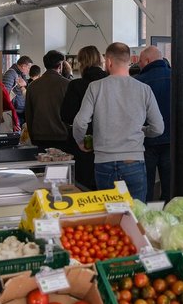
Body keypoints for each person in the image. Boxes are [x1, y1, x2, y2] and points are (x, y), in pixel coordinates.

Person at [73, 43, 163, 201]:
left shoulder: (95, 87)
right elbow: (158, 128)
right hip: (134, 160)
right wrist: (142, 131)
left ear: (108, 62)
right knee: (136, 212)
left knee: (110, 212)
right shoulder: (144, 89)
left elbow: (80, 122)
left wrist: (81, 141)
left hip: (104, 161)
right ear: (129, 61)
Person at [61, 46, 108, 189]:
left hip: (83, 142)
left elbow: (67, 115)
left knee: (84, 186)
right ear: (100, 60)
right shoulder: (110, 83)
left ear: (81, 62)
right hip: (109, 141)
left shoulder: (76, 85)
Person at [134, 46, 172, 201]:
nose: (139, 64)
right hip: (172, 140)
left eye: (140, 61)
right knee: (170, 186)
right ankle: (168, 213)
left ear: (147, 61)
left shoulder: (138, 82)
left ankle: (147, 214)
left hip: (146, 141)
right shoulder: (178, 77)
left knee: (146, 186)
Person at [25, 50, 72, 152]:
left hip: (39, 136)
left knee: (42, 162)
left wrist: (33, 136)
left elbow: (29, 114)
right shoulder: (67, 85)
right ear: (60, 65)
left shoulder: (32, 86)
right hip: (62, 136)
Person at [2, 55, 32, 124]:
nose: (29, 70)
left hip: (20, 111)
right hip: (15, 112)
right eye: (28, 68)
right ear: (23, 66)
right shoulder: (11, 73)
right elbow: (5, 94)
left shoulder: (21, 74)